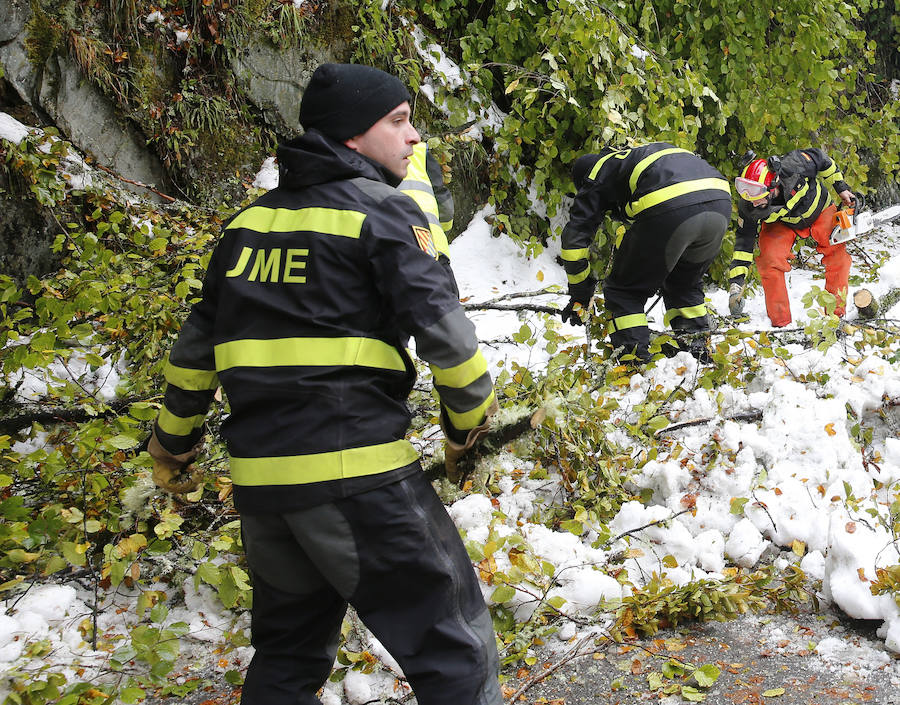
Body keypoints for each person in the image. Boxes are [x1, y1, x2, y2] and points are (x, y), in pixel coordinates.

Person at [146, 62, 501, 705]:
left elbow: (194, 353)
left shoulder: (246, 227)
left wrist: (171, 446)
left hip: (263, 486)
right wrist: (466, 431)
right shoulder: (384, 214)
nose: (415, 137)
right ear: (353, 137)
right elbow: (450, 340)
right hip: (357, 476)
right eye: (398, 121)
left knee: (287, 654)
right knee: (456, 647)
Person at [559, 142, 732, 362]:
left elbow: (573, 241)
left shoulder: (596, 172)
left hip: (669, 201)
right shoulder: (635, 158)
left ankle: (635, 365)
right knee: (684, 285)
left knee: (624, 291)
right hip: (719, 201)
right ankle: (698, 357)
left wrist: (580, 295)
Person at [727, 149, 855, 325]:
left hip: (819, 210)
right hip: (783, 222)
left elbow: (822, 159)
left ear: (773, 185)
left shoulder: (796, 165)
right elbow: (743, 243)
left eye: (757, 194)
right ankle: (780, 322)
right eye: (745, 191)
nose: (752, 201)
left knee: (838, 256)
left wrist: (841, 188)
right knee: (769, 260)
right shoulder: (749, 205)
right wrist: (737, 282)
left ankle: (835, 316)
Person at [399, 140, 459, 294]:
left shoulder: (365, 153)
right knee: (450, 312)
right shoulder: (419, 151)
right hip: (432, 246)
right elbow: (445, 207)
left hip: (398, 252)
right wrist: (442, 231)